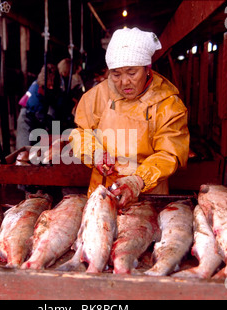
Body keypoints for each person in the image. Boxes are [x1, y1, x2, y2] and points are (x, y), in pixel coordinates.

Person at [69, 27, 190, 208]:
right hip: (102, 192)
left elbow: (170, 152)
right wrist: (95, 153)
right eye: (116, 74)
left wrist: (139, 180)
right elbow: (81, 132)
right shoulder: (97, 96)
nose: (124, 82)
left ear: (147, 68)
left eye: (132, 73)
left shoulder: (168, 104)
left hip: (147, 196)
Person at [16, 63, 58, 149]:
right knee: (25, 149)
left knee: (37, 149)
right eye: (51, 81)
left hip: (34, 117)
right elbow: (40, 115)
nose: (52, 85)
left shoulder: (43, 87)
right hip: (26, 119)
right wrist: (52, 125)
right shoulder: (37, 90)